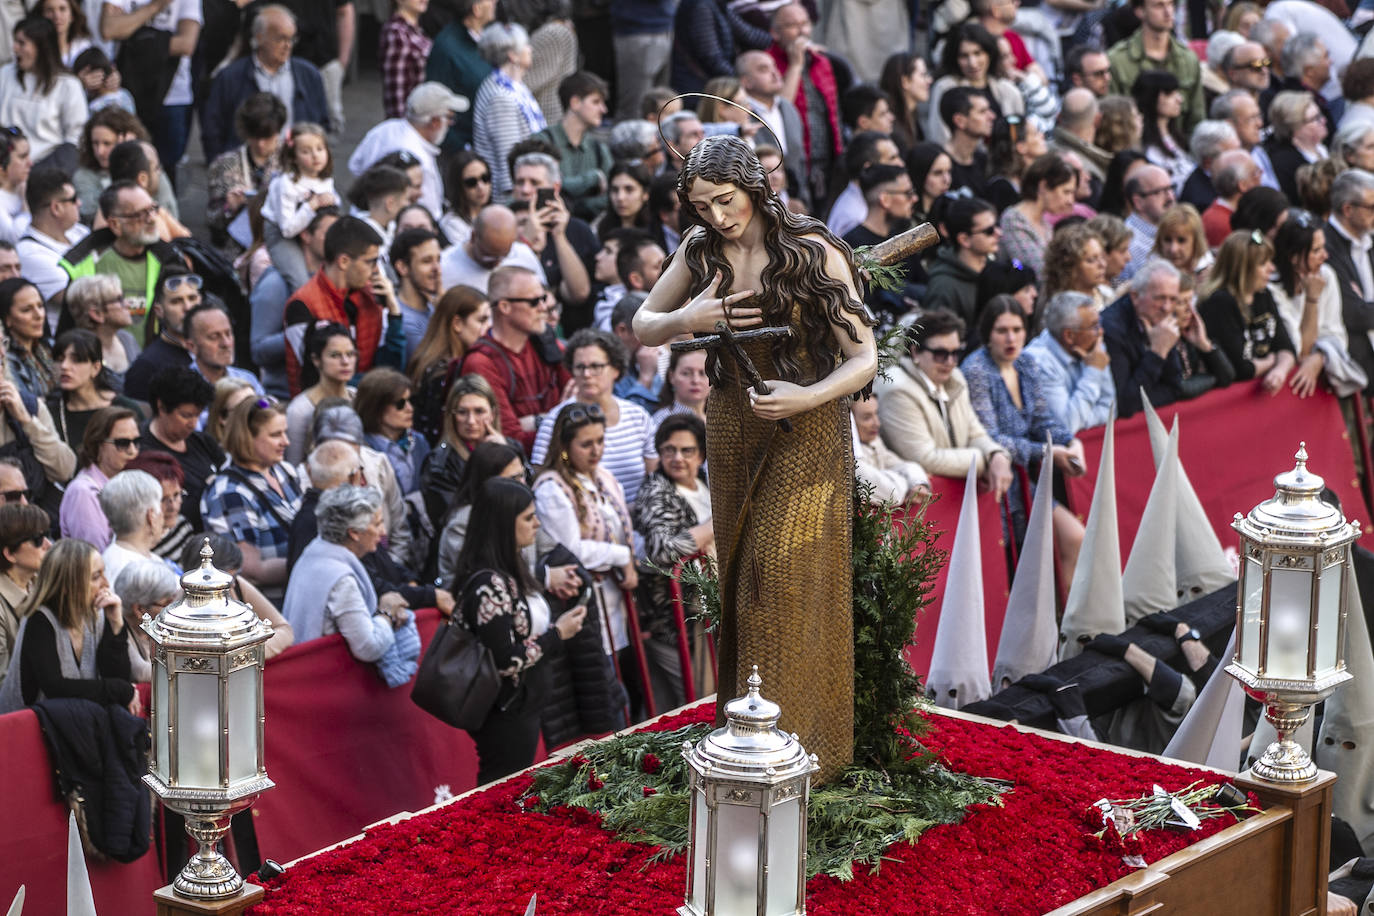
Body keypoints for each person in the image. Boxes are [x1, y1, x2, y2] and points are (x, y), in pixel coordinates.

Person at [632, 134, 876, 778]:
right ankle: (744, 739)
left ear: (754, 185)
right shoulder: (700, 249)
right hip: (734, 415)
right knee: (741, 576)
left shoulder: (810, 249)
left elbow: (864, 356)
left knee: (780, 574)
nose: (716, 214)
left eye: (725, 199)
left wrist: (807, 396)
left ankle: (800, 750)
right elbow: (643, 324)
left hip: (808, 420)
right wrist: (692, 314)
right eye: (701, 204)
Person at [452, 475, 586, 783]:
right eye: (528, 517)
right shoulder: (489, 583)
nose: (537, 524)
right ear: (503, 524)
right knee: (502, 787)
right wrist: (557, 634)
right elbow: (504, 660)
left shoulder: (510, 568)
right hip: (504, 711)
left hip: (521, 704)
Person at [962, 295, 1086, 571]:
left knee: (1075, 537)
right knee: (1017, 571)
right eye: (1002, 331)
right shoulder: (975, 370)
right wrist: (1047, 452)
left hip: (1026, 481)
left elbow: (1042, 420)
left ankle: (1066, 615)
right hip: (997, 487)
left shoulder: (1026, 363)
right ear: (987, 334)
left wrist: (1071, 442)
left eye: (1017, 330)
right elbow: (989, 437)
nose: (1011, 339)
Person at [531, 401, 634, 676]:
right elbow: (571, 550)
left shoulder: (604, 477)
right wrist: (623, 556)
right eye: (586, 444)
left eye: (600, 440)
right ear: (564, 446)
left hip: (616, 600)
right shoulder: (552, 488)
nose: (596, 450)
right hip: (584, 603)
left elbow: (622, 529)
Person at [282, 483, 421, 687]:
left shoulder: (315, 551)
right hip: (327, 684)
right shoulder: (340, 579)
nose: (383, 532)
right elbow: (368, 647)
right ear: (354, 532)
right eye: (377, 524)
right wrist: (387, 612)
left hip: (305, 675)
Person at [873, 309, 1012, 493]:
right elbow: (925, 458)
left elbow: (975, 434)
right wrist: (984, 460)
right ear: (915, 352)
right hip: (918, 508)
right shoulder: (897, 389)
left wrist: (996, 455)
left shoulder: (956, 378)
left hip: (954, 496)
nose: (950, 362)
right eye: (940, 353)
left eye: (956, 353)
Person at [632, 412, 715, 711]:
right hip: (673, 621)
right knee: (690, 704)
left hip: (706, 614)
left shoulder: (707, 481)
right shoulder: (657, 490)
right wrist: (710, 528)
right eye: (669, 450)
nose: (677, 457)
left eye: (686, 450)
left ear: (701, 454)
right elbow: (661, 550)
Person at [0, 538, 135, 715]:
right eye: (96, 577)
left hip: (74, 722)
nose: (106, 584)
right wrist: (120, 690)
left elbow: (117, 677)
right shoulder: (39, 620)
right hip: (27, 729)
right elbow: (56, 688)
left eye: (104, 573)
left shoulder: (98, 613)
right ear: (67, 585)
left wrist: (117, 626)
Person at [531, 328, 656, 507]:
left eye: (596, 367)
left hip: (639, 520)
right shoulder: (555, 420)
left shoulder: (638, 417)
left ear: (616, 369)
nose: (587, 374)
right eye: (580, 367)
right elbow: (542, 478)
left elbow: (654, 476)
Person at [199, 397, 303, 599]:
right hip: (271, 607)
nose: (286, 442)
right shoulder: (229, 492)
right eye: (276, 435)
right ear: (246, 437)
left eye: (285, 432)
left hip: (300, 592)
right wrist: (311, 561)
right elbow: (252, 569)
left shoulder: (284, 471)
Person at [283, 216, 401, 395]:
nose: (376, 270)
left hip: (368, 407)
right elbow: (322, 378)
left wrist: (394, 313)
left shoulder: (373, 296)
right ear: (344, 261)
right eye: (370, 261)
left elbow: (393, 367)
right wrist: (377, 382)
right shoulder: (302, 305)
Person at [461, 264, 570, 453]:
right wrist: (558, 421)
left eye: (543, 298)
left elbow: (580, 413)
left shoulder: (547, 344)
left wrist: (537, 422)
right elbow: (511, 440)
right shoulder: (481, 362)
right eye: (534, 302)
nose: (544, 308)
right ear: (504, 307)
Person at [200, 5, 330, 161]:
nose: (287, 45)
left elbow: (322, 124)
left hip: (296, 165)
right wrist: (224, 168)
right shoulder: (230, 77)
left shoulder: (309, 75)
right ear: (259, 38)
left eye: (292, 38)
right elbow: (213, 130)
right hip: (246, 167)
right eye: (280, 38)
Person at [347, 82, 464, 222]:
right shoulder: (418, 159)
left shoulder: (385, 128)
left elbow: (354, 166)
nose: (451, 123)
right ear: (435, 122)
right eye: (450, 117)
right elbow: (430, 213)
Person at [1197, 230, 1297, 393]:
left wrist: (1280, 371)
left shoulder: (1263, 294)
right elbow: (1241, 369)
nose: (1271, 268)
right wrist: (1272, 361)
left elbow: (1286, 346)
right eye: (1263, 263)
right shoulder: (1219, 303)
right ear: (1243, 268)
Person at [419, 373, 520, 531]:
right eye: (462, 412)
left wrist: (506, 455)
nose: (471, 421)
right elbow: (450, 520)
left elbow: (529, 499)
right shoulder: (439, 465)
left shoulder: (512, 448)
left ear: (492, 414)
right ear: (452, 416)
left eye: (479, 411)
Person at [177, 534, 294, 658]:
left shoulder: (238, 586)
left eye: (234, 576)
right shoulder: (177, 610)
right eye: (225, 581)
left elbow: (284, 629)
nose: (231, 585)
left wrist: (248, 655)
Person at [506, 152, 594, 309]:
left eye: (534, 183)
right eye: (520, 182)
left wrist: (559, 235)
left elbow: (580, 293)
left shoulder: (577, 229)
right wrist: (525, 239)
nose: (525, 190)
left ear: (555, 188)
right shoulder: (501, 226)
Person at [137, 367, 220, 530]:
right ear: (161, 407)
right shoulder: (142, 453)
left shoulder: (203, 442)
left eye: (198, 415)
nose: (193, 424)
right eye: (186, 415)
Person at [432, 438, 526, 583]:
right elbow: (488, 576)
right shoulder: (462, 524)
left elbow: (550, 546)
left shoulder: (521, 511)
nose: (522, 484)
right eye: (514, 478)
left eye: (522, 475)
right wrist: (546, 575)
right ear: (489, 482)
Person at [1024, 291, 1116, 434]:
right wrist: (1093, 372)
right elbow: (1066, 426)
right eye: (1094, 326)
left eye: (1099, 323)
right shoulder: (1039, 363)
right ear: (1069, 336)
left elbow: (1110, 409)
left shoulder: (1093, 346)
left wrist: (1081, 420)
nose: (1100, 332)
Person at [409, 285, 490, 445]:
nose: (488, 328)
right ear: (457, 324)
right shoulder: (440, 373)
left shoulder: (432, 363)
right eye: (482, 320)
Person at [471, 22, 544, 200]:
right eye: (526, 45)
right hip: (513, 200)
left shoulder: (512, 87)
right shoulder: (500, 97)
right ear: (513, 55)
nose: (530, 49)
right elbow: (509, 160)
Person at [261, 122, 337, 293]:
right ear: (293, 156)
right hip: (282, 234)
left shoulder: (325, 180)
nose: (315, 156)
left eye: (320, 148)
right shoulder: (286, 184)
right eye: (306, 151)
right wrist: (312, 205)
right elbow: (287, 229)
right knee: (300, 281)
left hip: (313, 231)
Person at [0, 17, 85, 170]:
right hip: (4, 166)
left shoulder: (68, 85)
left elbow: (75, 139)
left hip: (47, 170)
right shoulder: (5, 74)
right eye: (15, 42)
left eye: (22, 43)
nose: (14, 48)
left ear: (41, 47)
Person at [206, 94, 287, 253]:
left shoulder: (292, 161)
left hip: (280, 247)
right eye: (255, 137)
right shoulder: (224, 165)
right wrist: (229, 208)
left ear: (278, 131)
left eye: (267, 137)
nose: (261, 144)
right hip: (237, 251)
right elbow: (212, 220)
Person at [1107, 0, 1204, 133]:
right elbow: (1112, 119)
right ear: (1140, 11)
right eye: (1159, 5)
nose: (1168, 12)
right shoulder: (1118, 60)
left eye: (1171, 4)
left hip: (1180, 144)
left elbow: (1197, 117)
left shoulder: (1189, 59)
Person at [927, 21, 1024, 148]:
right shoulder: (945, 88)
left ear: (989, 54)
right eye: (964, 56)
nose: (972, 63)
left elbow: (1019, 136)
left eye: (978, 53)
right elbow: (939, 137)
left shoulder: (1008, 91)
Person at [530, 71, 612, 221]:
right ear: (575, 103)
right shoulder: (542, 141)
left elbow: (613, 196)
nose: (603, 109)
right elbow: (543, 188)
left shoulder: (599, 149)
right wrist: (593, 178)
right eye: (595, 102)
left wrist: (578, 205)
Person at [46, 329, 141, 450]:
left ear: (95, 368)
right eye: (60, 359)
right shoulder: (50, 411)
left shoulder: (124, 408)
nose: (64, 366)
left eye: (76, 360)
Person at [58, 405, 137, 548]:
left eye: (136, 442)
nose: (132, 451)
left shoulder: (128, 483)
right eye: (122, 443)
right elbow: (96, 558)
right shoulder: (84, 493)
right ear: (98, 444)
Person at [425, 0, 497, 153]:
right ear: (476, 9)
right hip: (462, 151)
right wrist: (463, 149)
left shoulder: (486, 36)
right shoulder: (447, 48)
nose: (495, 2)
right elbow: (436, 104)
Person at [118, 265, 199, 401]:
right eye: (176, 301)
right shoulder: (147, 366)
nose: (187, 307)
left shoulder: (216, 348)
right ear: (159, 310)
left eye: (192, 298)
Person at [1325, 171, 1374, 391]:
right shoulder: (1326, 248)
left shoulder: (1368, 237)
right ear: (1348, 209)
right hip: (1358, 365)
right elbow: (1354, 314)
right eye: (1372, 208)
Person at [17, 167, 87, 315]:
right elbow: (83, 299)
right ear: (56, 208)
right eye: (73, 199)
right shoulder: (30, 254)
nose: (79, 203)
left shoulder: (79, 231)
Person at [925, 197, 1000, 334]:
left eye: (997, 225)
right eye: (989, 231)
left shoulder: (994, 270)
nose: (998, 233)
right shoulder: (943, 287)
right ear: (964, 240)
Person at [284, 322, 356, 465]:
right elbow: (294, 464)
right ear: (316, 360)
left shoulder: (357, 397)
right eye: (335, 355)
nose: (345, 361)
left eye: (350, 354)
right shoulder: (299, 410)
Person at [998, 154, 1078, 281]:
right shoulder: (1014, 220)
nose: (1071, 201)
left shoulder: (1045, 225)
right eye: (1066, 192)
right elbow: (1038, 271)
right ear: (1043, 187)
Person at [438, 204, 546, 294]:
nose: (497, 263)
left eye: (505, 256)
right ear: (473, 237)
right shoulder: (445, 267)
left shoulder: (523, 255)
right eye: (489, 256)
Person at [355, 368, 428, 496]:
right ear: (376, 407)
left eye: (410, 401)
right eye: (400, 404)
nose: (410, 409)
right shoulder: (361, 450)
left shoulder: (419, 442)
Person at [0, 504, 51, 682]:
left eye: (47, 535)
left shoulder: (43, 583)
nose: (48, 544)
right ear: (10, 553)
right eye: (38, 539)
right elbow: (3, 680)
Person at [850, 394, 928, 506]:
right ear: (850, 423)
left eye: (876, 413)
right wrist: (906, 482)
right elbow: (893, 495)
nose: (877, 423)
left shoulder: (874, 442)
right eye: (867, 418)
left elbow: (904, 465)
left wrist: (917, 483)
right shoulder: (851, 461)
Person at [60, 276, 135, 389]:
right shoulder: (79, 354)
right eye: (119, 300)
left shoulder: (127, 339)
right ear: (97, 314)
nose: (128, 304)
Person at [124, 451, 192, 569]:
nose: (173, 507)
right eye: (163, 499)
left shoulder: (182, 525)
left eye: (176, 495)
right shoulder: (133, 549)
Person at [97, 468, 164, 586]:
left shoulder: (108, 560)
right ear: (151, 516)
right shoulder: (139, 571)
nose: (163, 515)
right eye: (160, 506)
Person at [1262, 91, 1329, 205]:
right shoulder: (1285, 163)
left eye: (1320, 115)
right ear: (1295, 128)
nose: (1323, 121)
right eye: (1315, 119)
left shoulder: (1320, 147)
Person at [0, 279, 56, 404]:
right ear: (7, 318)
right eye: (27, 310)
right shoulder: (6, 361)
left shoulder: (51, 347)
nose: (39, 315)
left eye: (40, 306)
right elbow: (26, 404)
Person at [1121, 164, 1176, 283]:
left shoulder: (1175, 227)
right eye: (1159, 192)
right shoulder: (1130, 243)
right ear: (1138, 202)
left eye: (1171, 188)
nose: (1170, 197)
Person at [985, 115, 1050, 214]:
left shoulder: (1040, 178)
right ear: (1021, 147)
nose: (1042, 135)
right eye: (1036, 133)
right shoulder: (1001, 189)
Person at [380, 0, 432, 120]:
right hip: (411, 124)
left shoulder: (415, 29)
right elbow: (396, 95)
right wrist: (403, 131)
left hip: (423, 122)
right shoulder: (396, 34)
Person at [1201, 149, 1262, 249]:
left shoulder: (1240, 212)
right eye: (1255, 173)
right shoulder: (1221, 224)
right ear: (1242, 185)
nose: (1261, 175)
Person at [1043, 223, 1110, 311]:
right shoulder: (1057, 310)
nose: (1103, 264)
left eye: (1102, 256)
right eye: (1091, 260)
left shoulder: (1107, 294)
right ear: (1069, 267)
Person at [880, 52, 931, 153]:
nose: (929, 80)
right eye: (923, 75)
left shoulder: (912, 118)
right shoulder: (892, 127)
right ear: (905, 81)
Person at [440, 152, 492, 247]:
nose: (480, 187)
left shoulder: (497, 214)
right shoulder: (451, 224)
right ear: (458, 186)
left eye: (485, 178)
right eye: (471, 182)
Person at [1151, 204, 1212, 283]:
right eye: (1167, 240)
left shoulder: (1211, 279)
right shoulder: (1151, 276)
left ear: (1196, 242)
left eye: (1181, 240)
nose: (1173, 249)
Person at [651, 347, 709, 429]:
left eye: (702, 373)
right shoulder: (662, 420)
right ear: (671, 377)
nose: (696, 380)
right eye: (686, 373)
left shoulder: (717, 419)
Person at [591, 163, 652, 241]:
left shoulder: (657, 230)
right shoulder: (599, 227)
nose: (620, 197)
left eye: (629, 189)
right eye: (615, 190)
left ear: (645, 194)